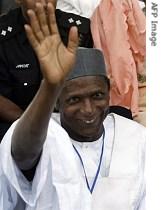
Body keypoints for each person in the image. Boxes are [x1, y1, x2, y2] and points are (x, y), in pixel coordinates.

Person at [0, 1, 145, 210]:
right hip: (27, 121)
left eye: (97, 96)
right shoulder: (46, 137)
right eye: (75, 100)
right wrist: (51, 86)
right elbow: (23, 153)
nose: (88, 109)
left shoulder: (137, 138)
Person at [0, 0, 94, 141]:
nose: (44, 2)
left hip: (70, 120)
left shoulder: (78, 31)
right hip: (18, 122)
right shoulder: (4, 36)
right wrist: (35, 124)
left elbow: (88, 87)